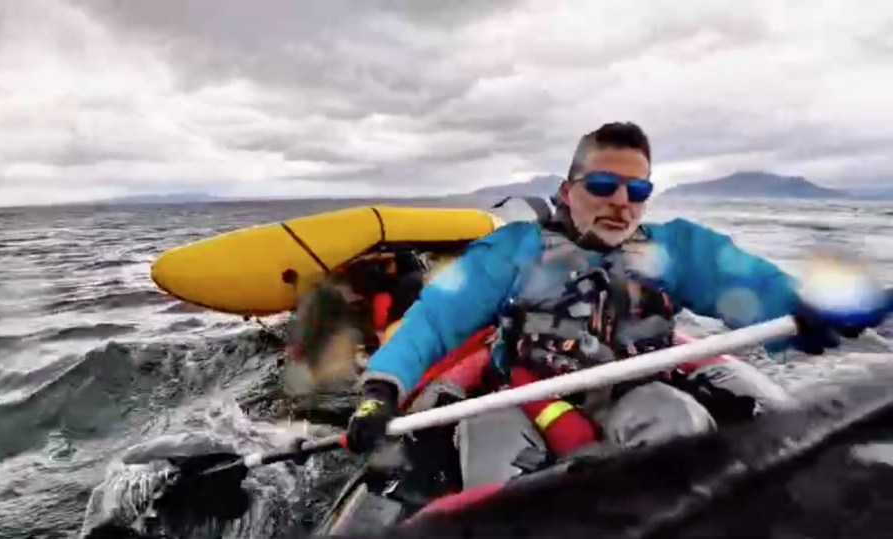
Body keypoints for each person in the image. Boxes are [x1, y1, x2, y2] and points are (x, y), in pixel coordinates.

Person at [343, 121, 884, 466]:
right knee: (487, 449)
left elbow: (753, 285)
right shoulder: (510, 251)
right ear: (567, 190)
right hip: (525, 401)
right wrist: (381, 389)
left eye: (638, 190)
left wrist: (806, 307)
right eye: (603, 187)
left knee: (680, 423)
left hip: (638, 392)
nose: (621, 202)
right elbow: (435, 318)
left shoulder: (677, 249)